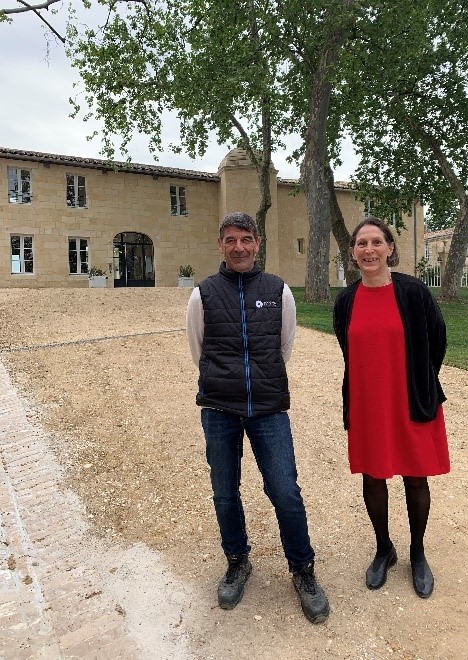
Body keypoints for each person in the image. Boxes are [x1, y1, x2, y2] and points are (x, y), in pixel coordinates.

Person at [186, 212, 329, 623]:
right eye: (230, 240)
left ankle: (302, 569)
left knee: (285, 490)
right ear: (220, 245)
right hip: (219, 409)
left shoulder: (278, 290)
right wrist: (225, 382)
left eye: (246, 239)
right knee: (225, 492)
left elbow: (284, 348)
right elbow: (198, 350)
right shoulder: (203, 294)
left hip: (268, 410)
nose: (239, 247)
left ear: (258, 242)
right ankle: (237, 560)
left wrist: (259, 381)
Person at [332, 216, 450, 599]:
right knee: (373, 477)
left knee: (416, 477)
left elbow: (437, 338)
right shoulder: (345, 301)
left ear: (390, 248)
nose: (369, 250)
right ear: (352, 253)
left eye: (376, 243)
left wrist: (422, 380)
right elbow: (348, 349)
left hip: (410, 398)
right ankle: (385, 547)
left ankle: (417, 552)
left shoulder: (414, 292)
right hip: (368, 403)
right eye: (361, 244)